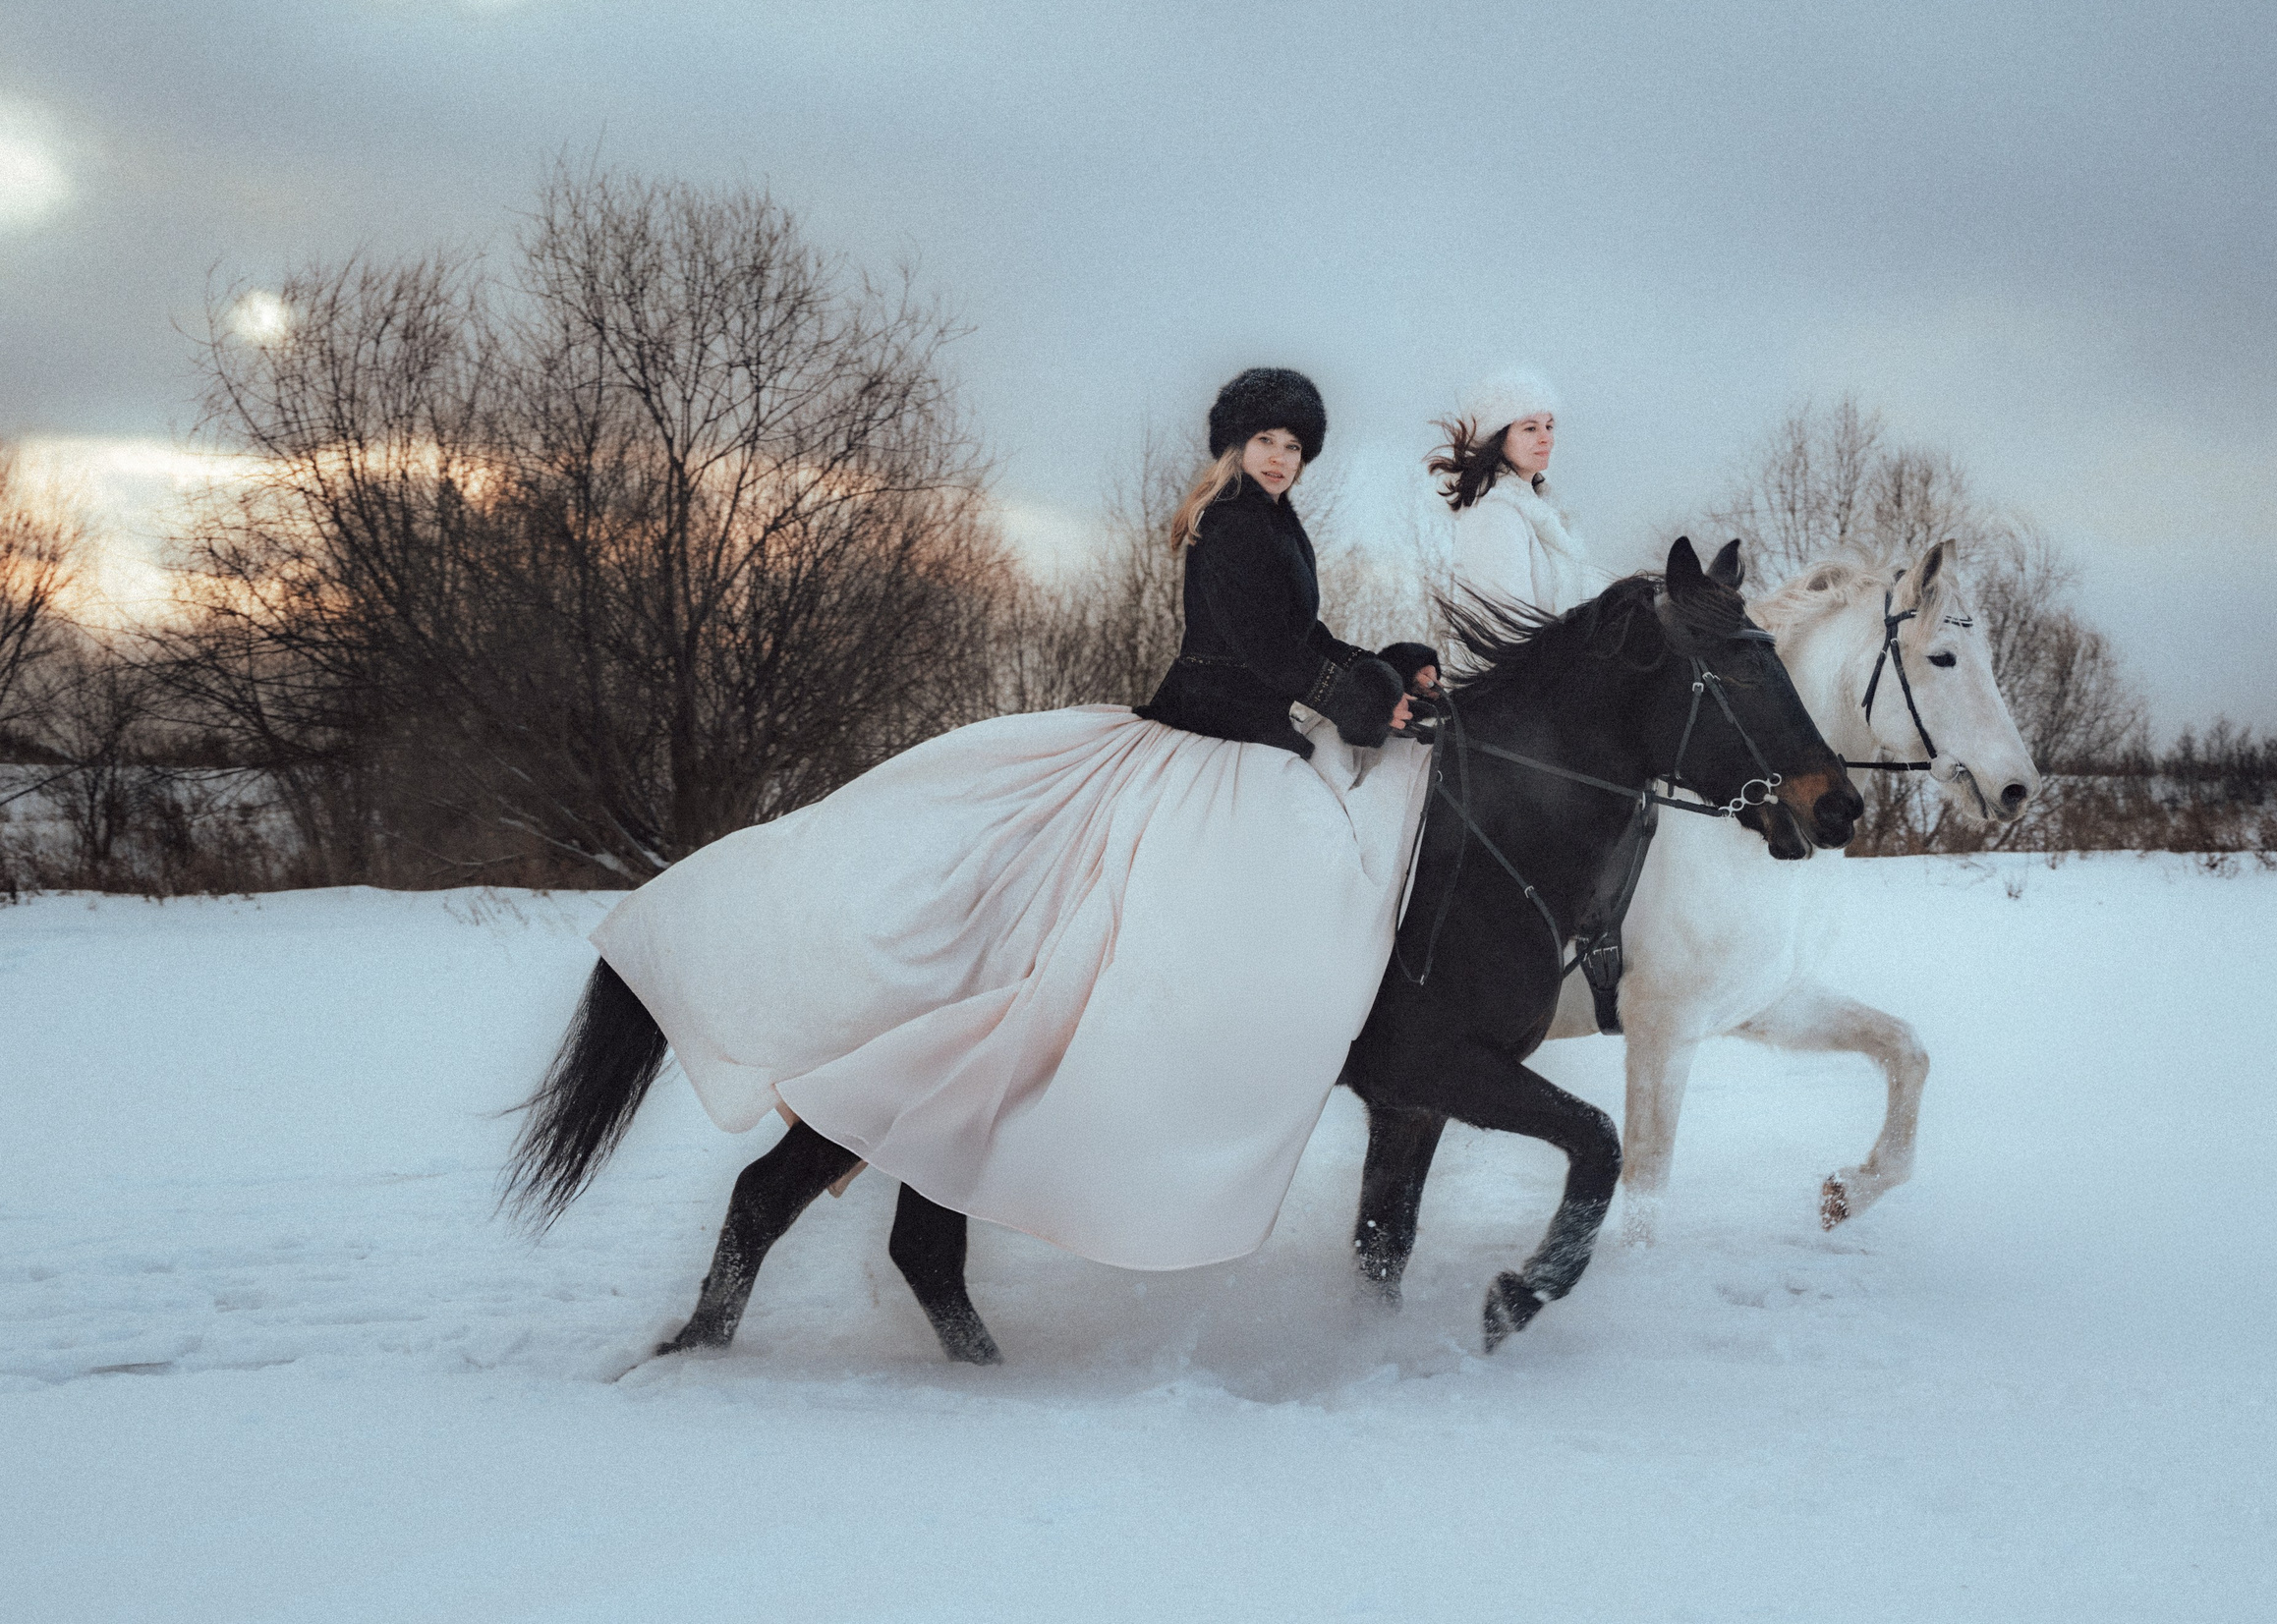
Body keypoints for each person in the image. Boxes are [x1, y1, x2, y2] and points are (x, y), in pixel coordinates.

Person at [588, 367, 1439, 1271]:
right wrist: (1360, 699)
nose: (1282, 460)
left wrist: (1381, 679)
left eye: (1296, 449)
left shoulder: (1274, 523)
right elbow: (1268, 652)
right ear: (1235, 446)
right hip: (1215, 739)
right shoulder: (1231, 525)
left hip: (1245, 739)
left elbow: (1302, 640)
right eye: (1268, 441)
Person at [1429, 369, 1597, 618]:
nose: (1546, 439)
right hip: (1516, 658)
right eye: (1530, 429)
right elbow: (1509, 626)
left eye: (1549, 426)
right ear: (1497, 437)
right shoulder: (1494, 513)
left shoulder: (1548, 513)